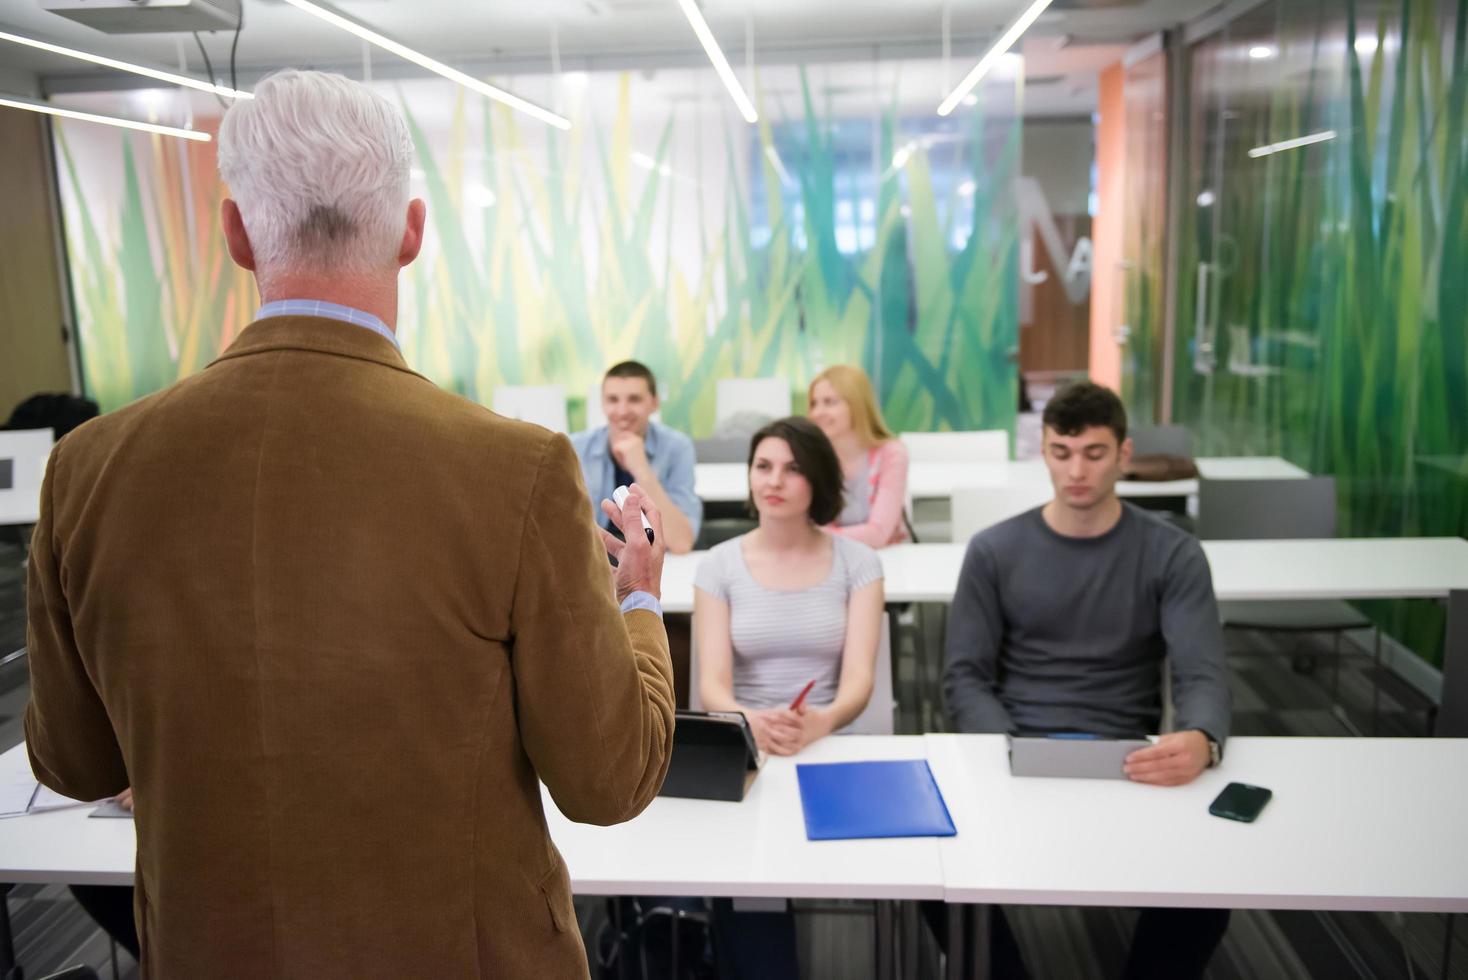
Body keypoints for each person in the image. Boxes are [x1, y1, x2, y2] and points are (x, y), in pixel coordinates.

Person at [24, 69, 675, 979]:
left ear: (236, 233)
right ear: (412, 231)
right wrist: (639, 605)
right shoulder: (516, 469)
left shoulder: (87, 471)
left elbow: (74, 763)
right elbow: (609, 781)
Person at [941, 381, 1232, 980]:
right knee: (929, 875)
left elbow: (1201, 670)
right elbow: (964, 677)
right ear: (1043, 453)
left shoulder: (1173, 553)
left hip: (1127, 759)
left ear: (1124, 455)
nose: (1077, 470)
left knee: (1210, 893)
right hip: (1013, 753)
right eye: (1061, 452)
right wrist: (1008, 748)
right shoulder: (994, 550)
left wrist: (1203, 735)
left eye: (1095, 454)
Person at [693, 416, 884, 980]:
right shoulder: (718, 565)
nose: (774, 480)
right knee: (754, 895)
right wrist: (755, 721)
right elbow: (713, 688)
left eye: (793, 469)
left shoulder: (858, 564)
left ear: (818, 482)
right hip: (748, 750)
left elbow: (859, 681)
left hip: (829, 747)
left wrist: (820, 722)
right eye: (763, 466)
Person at [572, 361, 702, 554]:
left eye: (634, 399)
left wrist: (641, 469)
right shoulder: (576, 448)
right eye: (613, 400)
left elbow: (681, 542)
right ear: (602, 403)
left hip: (653, 560)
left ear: (654, 403)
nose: (622, 411)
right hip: (594, 563)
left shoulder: (677, 448)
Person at [807, 365, 909, 547]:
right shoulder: (812, 456)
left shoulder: (891, 454)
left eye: (829, 402)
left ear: (857, 405)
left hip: (886, 559)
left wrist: (815, 538)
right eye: (814, 403)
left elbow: (878, 534)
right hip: (829, 560)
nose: (817, 412)